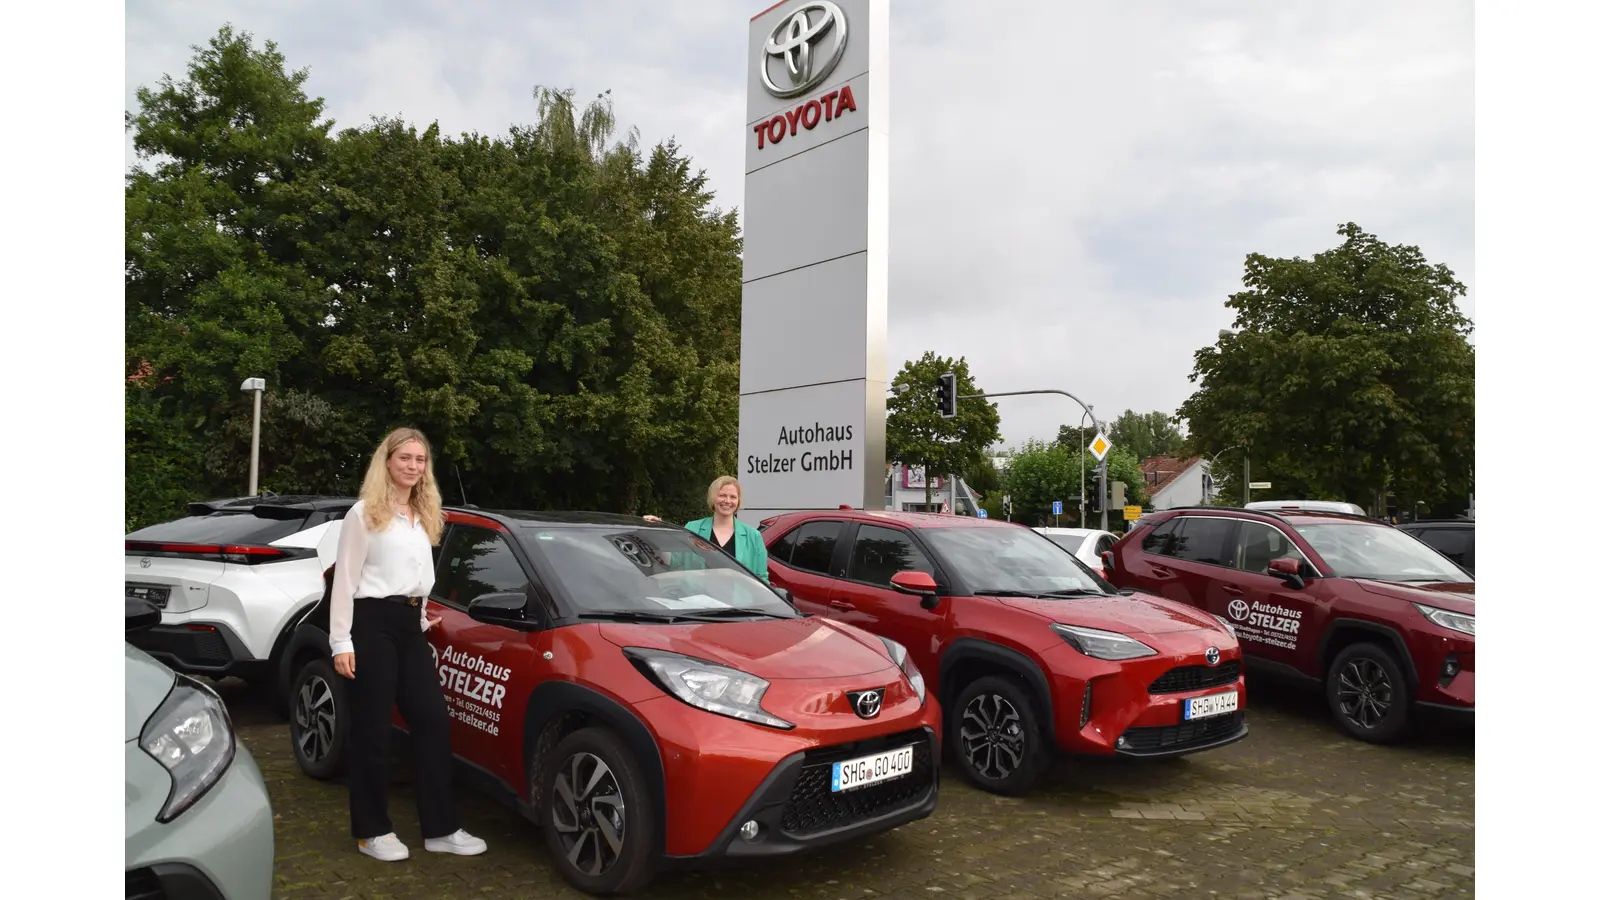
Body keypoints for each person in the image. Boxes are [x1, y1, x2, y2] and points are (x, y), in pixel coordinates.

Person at [329, 427, 487, 862]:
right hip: (370, 623)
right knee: (373, 731)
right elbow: (345, 580)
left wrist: (418, 615)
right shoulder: (364, 514)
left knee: (433, 722)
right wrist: (340, 641)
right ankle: (371, 830)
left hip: (409, 625)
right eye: (405, 458)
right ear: (387, 461)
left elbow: (417, 578)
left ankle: (440, 828)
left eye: (420, 460)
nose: (413, 467)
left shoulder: (425, 513)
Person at [643, 475, 769, 583]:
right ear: (713, 498)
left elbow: (762, 579)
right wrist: (658, 531)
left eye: (733, 497)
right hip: (700, 605)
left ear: (738, 501)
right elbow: (672, 562)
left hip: (740, 607)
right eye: (722, 495)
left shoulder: (754, 536)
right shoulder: (693, 528)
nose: (727, 501)